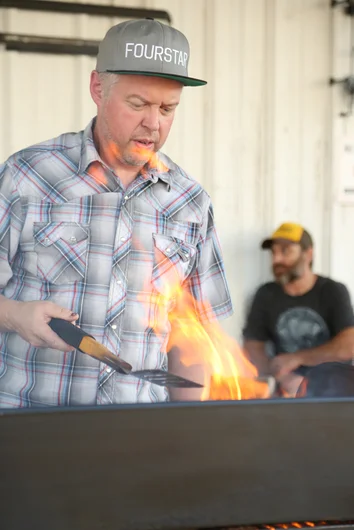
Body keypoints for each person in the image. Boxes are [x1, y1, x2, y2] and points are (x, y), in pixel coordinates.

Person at [0, 19, 233, 408]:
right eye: (138, 104)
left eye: (168, 108)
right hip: (31, 436)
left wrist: (192, 435)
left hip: (141, 444)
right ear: (98, 88)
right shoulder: (27, 177)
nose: (153, 123)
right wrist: (15, 315)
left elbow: (193, 340)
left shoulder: (191, 203)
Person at [242, 222, 354, 395]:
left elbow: (348, 346)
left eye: (285, 251)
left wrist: (297, 358)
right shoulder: (265, 294)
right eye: (274, 252)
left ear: (308, 254)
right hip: (286, 392)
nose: (276, 259)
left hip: (335, 391)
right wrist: (280, 375)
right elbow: (252, 347)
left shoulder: (332, 291)